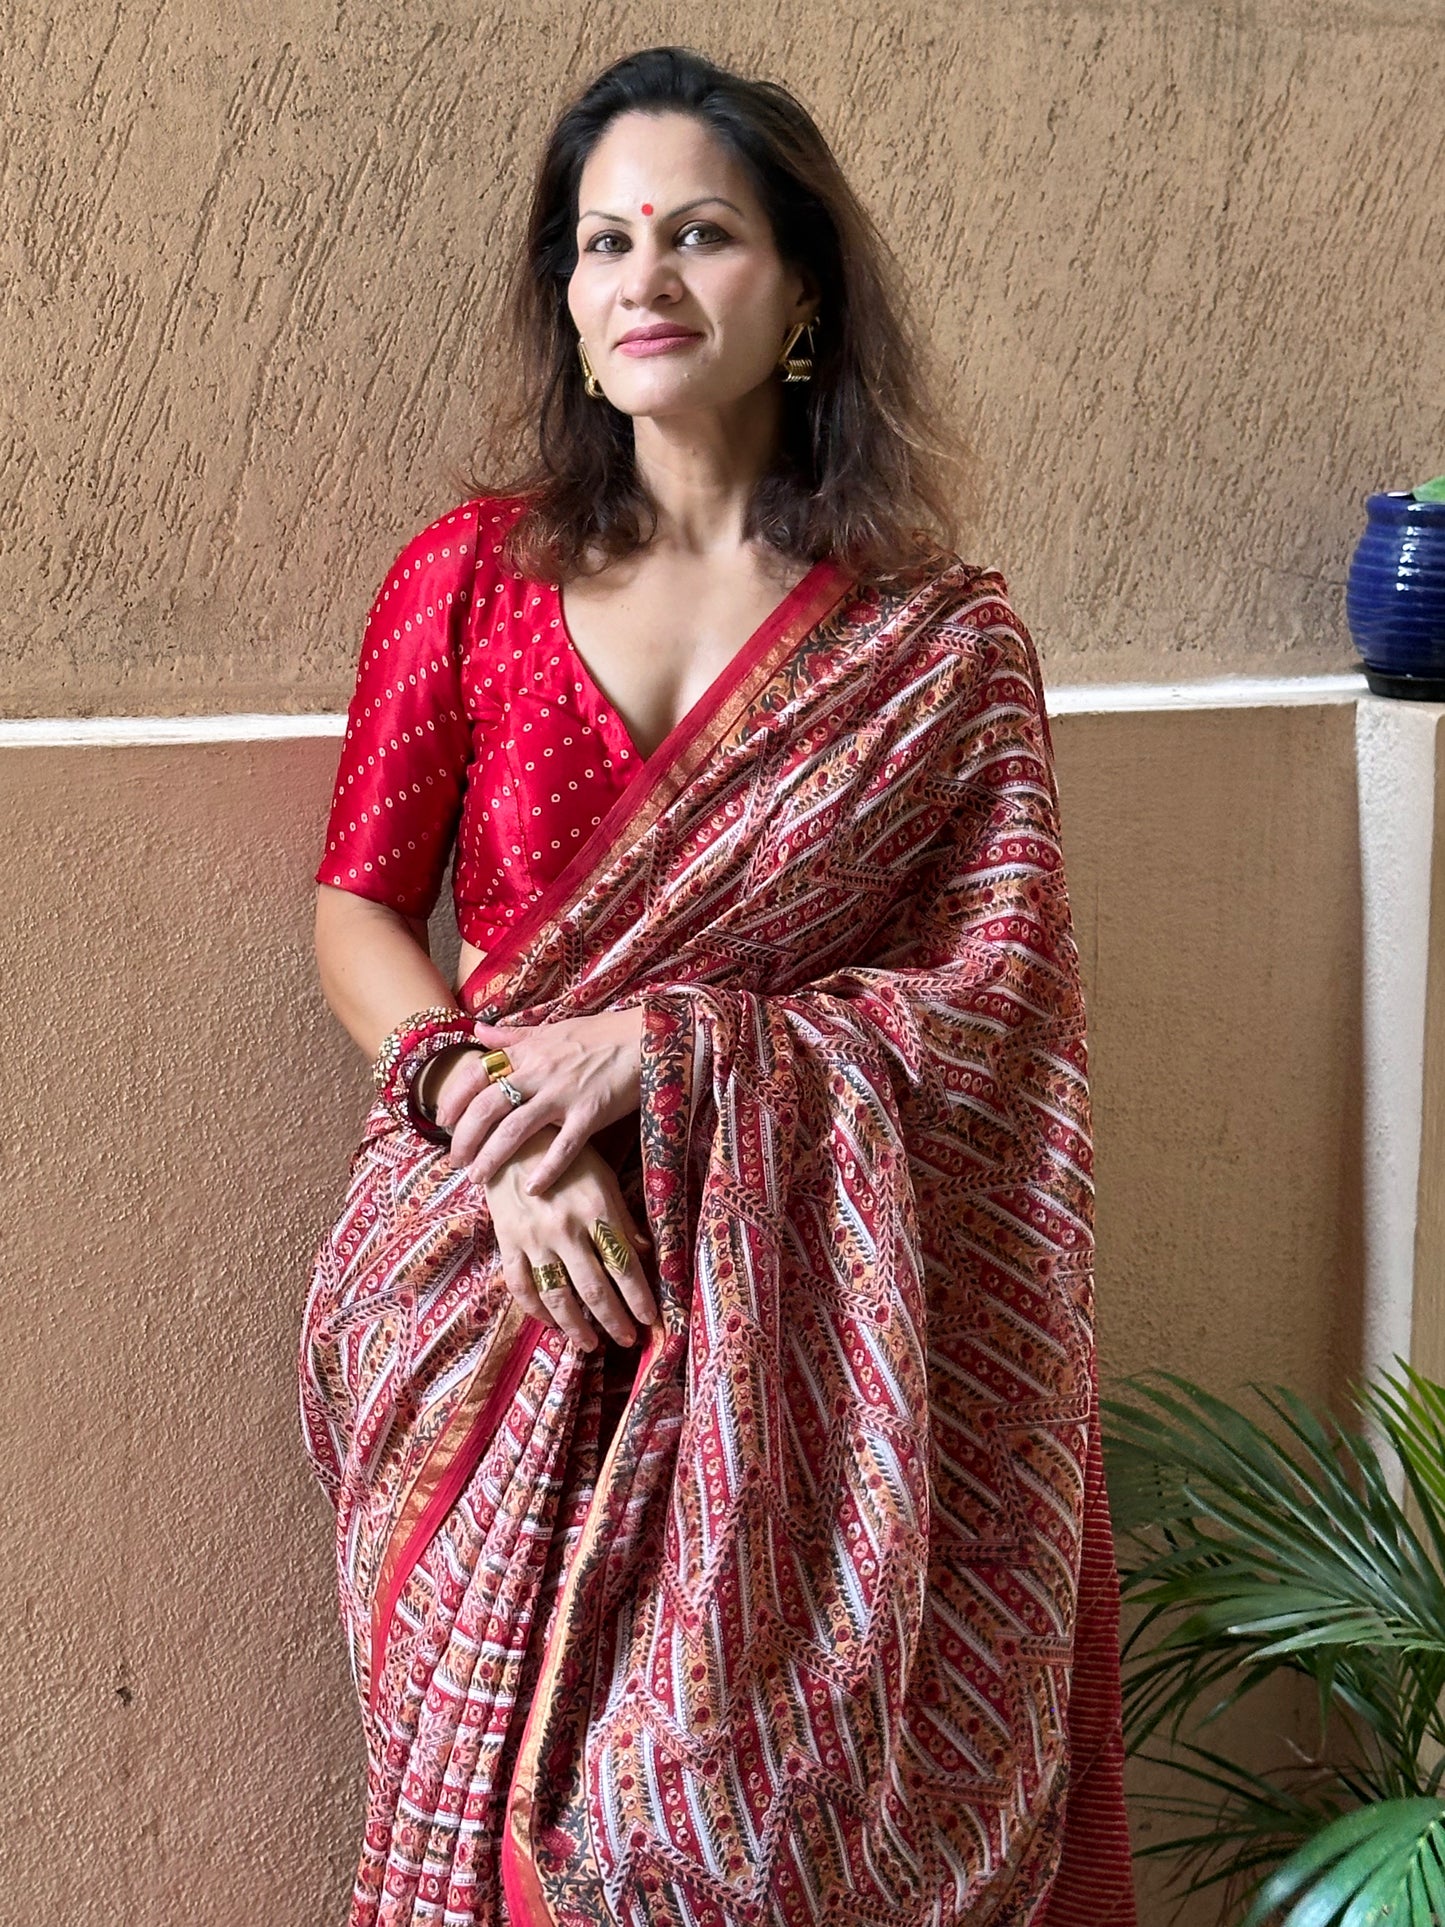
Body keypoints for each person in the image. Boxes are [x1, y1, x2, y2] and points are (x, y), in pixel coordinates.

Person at [300, 43, 1138, 1927]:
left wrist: (671, 1050)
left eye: (700, 233)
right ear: (565, 298)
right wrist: (483, 1119)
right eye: (602, 243)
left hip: (811, 1336)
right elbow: (359, 910)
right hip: (492, 1275)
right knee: (510, 1835)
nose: (645, 279)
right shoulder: (466, 579)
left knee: (728, 1844)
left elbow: (995, 1014)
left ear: (802, 289)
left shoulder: (934, 647)